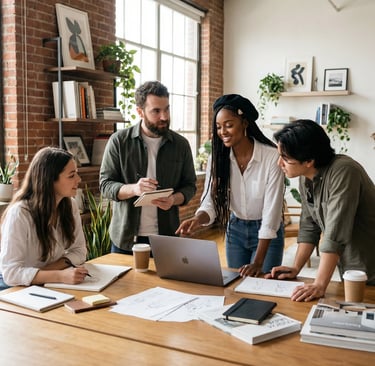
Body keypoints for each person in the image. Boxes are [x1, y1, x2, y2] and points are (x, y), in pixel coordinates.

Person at [267, 119, 375, 302]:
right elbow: (309, 227)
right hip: (350, 269)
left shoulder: (344, 171)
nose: (279, 164)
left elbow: (335, 233)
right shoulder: (305, 177)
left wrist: (319, 284)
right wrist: (295, 268)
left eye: (285, 158)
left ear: (309, 160)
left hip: (369, 265)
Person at [176, 94, 284, 276]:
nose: (223, 131)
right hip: (235, 231)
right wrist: (197, 220)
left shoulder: (271, 157)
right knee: (235, 286)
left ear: (245, 123)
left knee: (264, 287)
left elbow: (271, 213)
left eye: (229, 125)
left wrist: (258, 263)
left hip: (268, 234)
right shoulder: (217, 159)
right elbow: (210, 202)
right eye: (218, 127)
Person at [99, 80, 197, 254]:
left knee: (167, 282)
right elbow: (105, 185)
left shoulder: (181, 145)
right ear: (140, 112)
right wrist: (134, 189)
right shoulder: (119, 141)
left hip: (167, 238)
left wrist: (174, 199)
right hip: (125, 239)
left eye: (167, 109)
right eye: (156, 111)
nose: (164, 116)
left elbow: (190, 186)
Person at [0, 147, 88, 290]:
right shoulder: (20, 214)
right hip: (15, 287)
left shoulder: (70, 205)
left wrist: (49, 271)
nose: (78, 179)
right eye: (71, 175)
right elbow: (11, 273)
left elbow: (79, 251)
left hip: (46, 283)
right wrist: (60, 276)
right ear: (49, 180)